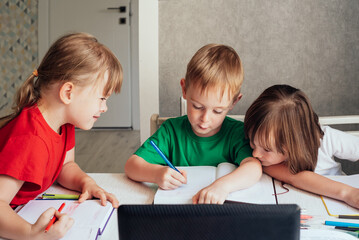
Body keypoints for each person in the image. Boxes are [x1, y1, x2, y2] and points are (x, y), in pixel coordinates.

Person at [0, 32, 122, 239]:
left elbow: (65, 166)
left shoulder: (64, 123)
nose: (105, 108)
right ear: (68, 93)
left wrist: (86, 182)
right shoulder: (31, 139)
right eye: (101, 98)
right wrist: (31, 234)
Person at [125, 44, 262, 204]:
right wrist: (156, 174)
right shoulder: (170, 131)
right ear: (184, 89)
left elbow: (254, 168)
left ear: (234, 101)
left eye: (217, 111)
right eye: (197, 106)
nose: (205, 118)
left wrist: (222, 186)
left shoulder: (237, 133)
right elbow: (131, 166)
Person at [244, 84, 359, 209]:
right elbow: (297, 178)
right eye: (252, 141)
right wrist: (347, 193)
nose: (255, 153)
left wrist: (350, 194)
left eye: (267, 149)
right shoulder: (261, 161)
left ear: (294, 143)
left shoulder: (326, 139)